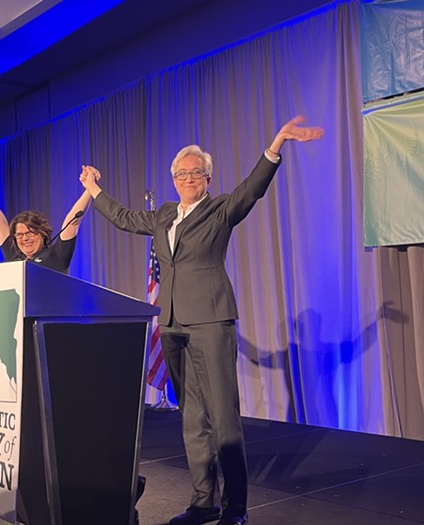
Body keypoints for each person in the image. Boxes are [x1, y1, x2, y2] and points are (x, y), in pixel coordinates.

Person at [79, 115, 324, 525]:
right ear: (173, 179)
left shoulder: (220, 209)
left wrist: (277, 143)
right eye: (182, 173)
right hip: (171, 324)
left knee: (223, 417)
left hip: (211, 321)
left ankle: (236, 508)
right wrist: (93, 188)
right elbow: (124, 218)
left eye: (196, 173)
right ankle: (203, 501)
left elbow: (252, 189)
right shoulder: (164, 215)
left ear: (208, 178)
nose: (188, 178)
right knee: (191, 416)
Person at [0, 173, 97, 274]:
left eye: (30, 233)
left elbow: (72, 223)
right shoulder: (15, 257)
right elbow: (0, 226)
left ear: (42, 233)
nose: (25, 239)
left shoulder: (56, 256)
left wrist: (90, 189)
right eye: (19, 235)